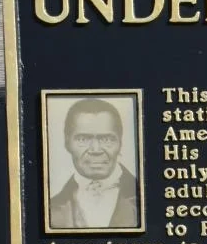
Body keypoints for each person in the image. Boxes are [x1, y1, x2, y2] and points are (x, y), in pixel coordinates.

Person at [48, 97, 139, 230]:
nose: (96, 150)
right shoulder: (50, 208)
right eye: (83, 139)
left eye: (107, 139)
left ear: (120, 142)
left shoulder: (147, 200)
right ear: (67, 144)